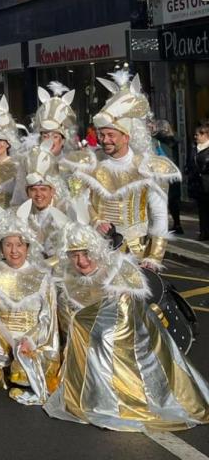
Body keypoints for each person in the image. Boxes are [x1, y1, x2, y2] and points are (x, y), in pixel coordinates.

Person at [43, 207, 209, 431]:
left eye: (86, 253)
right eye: (75, 255)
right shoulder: (67, 281)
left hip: (130, 358)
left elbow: (129, 326)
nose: (82, 261)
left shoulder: (119, 272)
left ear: (97, 250)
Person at [72, 71, 180, 270]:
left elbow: (158, 213)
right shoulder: (90, 163)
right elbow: (80, 200)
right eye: (101, 134)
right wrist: (96, 221)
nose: (105, 140)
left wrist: (154, 256)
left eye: (111, 135)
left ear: (126, 136)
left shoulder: (146, 167)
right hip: (97, 250)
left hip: (136, 254)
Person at [0, 201, 59, 406]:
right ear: (1, 247)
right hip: (3, 335)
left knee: (23, 377)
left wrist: (30, 340)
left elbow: (47, 319)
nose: (14, 251)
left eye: (19, 245)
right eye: (8, 245)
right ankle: (3, 363)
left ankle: (16, 365)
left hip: (31, 338)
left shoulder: (42, 277)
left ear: (27, 247)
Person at [186, 125, 209, 241]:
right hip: (198, 185)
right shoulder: (194, 148)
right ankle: (204, 232)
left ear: (205, 135)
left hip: (207, 183)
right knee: (202, 210)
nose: (196, 137)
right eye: (195, 135)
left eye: (198, 135)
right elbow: (189, 163)